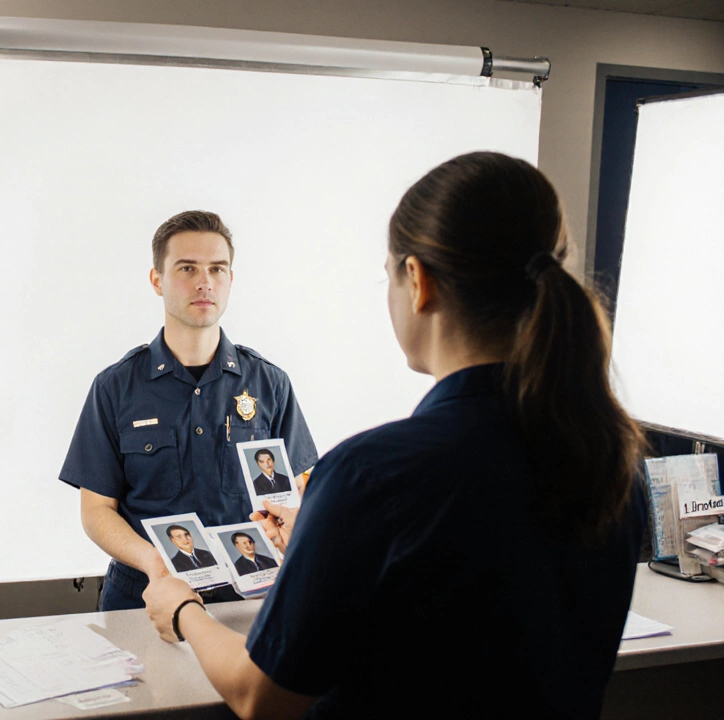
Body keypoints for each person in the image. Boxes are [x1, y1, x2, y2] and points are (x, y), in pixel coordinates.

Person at [142, 152, 647, 719]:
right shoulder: (609, 460)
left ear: (417, 281)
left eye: (387, 276)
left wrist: (184, 610)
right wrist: (321, 524)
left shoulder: (370, 473)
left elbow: (261, 695)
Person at [59, 210, 318, 611]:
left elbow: (301, 489)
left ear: (231, 279)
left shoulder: (270, 384)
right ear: (157, 280)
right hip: (145, 596)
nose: (204, 282)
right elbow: (96, 511)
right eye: (187, 268)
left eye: (217, 269)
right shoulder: (115, 387)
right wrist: (154, 561)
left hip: (252, 598)